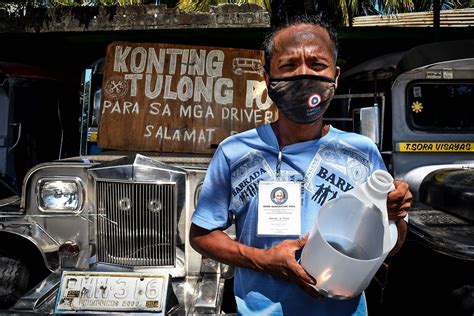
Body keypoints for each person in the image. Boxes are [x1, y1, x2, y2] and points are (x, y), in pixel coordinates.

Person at [190, 14, 412, 315]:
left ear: (335, 77)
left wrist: (395, 215)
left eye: (317, 65)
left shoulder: (361, 152)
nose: (304, 75)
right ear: (267, 79)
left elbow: (390, 247)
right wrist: (261, 259)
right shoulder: (235, 151)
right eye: (289, 65)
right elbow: (202, 235)